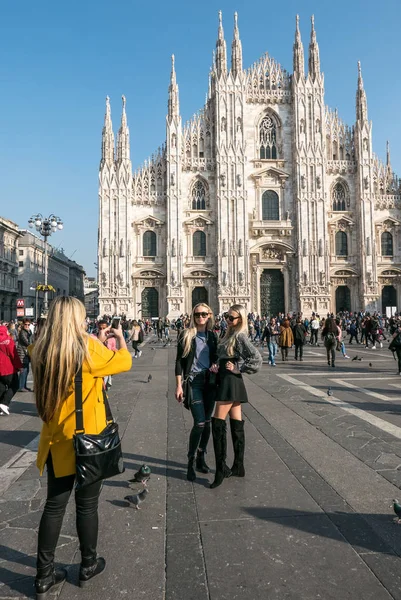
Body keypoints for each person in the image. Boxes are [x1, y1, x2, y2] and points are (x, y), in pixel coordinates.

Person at [32, 297, 132, 598]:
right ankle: (88, 565)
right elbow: (123, 361)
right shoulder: (88, 348)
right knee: (86, 506)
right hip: (88, 442)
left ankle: (43, 576)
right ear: (77, 318)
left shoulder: (40, 349)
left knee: (54, 506)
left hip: (56, 442)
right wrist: (119, 339)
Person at [210, 305, 262, 489]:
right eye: (227, 316)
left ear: (240, 319)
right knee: (236, 423)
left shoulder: (240, 335)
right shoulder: (228, 334)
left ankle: (220, 469)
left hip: (230, 381)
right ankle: (238, 466)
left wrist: (240, 368)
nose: (228, 320)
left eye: (231, 318)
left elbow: (256, 358)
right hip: (228, 379)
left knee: (217, 423)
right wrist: (217, 364)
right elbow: (224, 356)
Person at [175, 304, 218, 481]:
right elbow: (179, 361)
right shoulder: (186, 335)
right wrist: (178, 385)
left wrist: (217, 365)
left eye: (204, 314)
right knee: (199, 422)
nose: (201, 317)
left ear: (209, 316)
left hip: (209, 382)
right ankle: (190, 460)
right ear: (193, 316)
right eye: (197, 314)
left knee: (207, 422)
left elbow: (216, 357)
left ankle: (201, 456)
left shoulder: (213, 337)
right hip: (193, 383)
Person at [0, 325, 23, 415]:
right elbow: (14, 355)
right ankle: (4, 403)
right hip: (8, 368)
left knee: (1, 388)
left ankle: (0, 405)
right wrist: (19, 366)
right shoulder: (8, 340)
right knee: (14, 385)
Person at [17, 319, 33, 392]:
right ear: (23, 325)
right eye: (26, 324)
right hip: (22, 354)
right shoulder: (22, 332)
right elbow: (27, 342)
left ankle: (24, 386)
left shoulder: (29, 332)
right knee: (23, 370)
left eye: (28, 325)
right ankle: (21, 386)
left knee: (27, 370)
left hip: (26, 353)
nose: (27, 326)